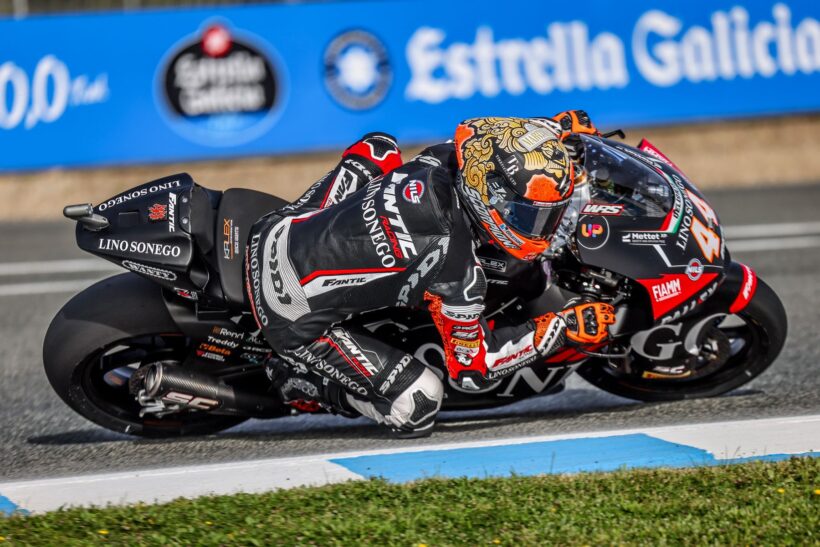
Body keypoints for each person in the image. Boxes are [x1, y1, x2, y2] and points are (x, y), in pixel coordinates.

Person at [245, 111, 616, 437]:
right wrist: (560, 329)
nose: (541, 228)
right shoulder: (458, 275)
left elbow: (498, 142)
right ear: (489, 195)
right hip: (287, 309)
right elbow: (474, 370)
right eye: (527, 214)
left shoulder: (446, 157)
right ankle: (304, 384)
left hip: (278, 227)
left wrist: (556, 127)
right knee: (420, 402)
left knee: (379, 148)